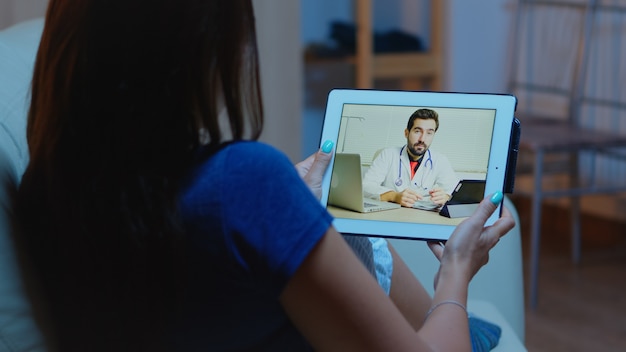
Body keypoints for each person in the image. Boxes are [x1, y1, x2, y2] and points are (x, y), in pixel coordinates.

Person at [15, 0, 515, 351]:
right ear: (206, 46)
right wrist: (456, 271)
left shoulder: (47, 185)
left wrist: (287, 213)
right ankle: (463, 329)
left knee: (342, 219)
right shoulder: (245, 183)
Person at [363, 108, 460, 208]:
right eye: (417, 131)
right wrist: (394, 196)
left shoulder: (440, 160)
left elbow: (455, 192)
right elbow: (365, 187)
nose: (422, 139)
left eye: (429, 133)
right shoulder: (387, 154)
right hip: (391, 214)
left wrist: (446, 197)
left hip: (424, 217)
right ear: (406, 133)